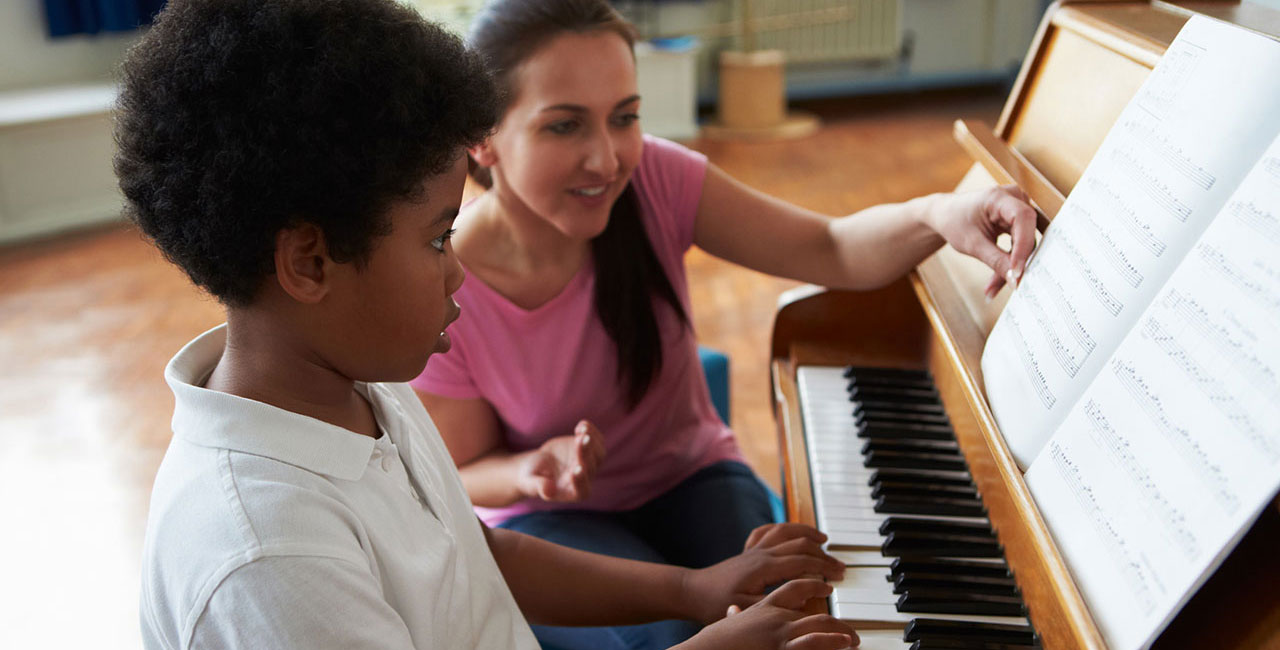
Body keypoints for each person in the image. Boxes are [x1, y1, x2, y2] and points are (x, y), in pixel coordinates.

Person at [122, 1, 856, 649]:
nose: (459, 271)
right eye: (439, 238)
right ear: (310, 263)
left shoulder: (356, 386)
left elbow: (477, 558)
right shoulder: (270, 560)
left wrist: (695, 590)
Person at [412, 1, 1036, 647]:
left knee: (789, 608)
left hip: (691, 476)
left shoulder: (653, 177)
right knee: (667, 634)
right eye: (565, 126)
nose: (607, 159)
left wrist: (938, 213)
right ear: (482, 138)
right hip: (553, 519)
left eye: (624, 117)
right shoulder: (447, 282)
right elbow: (464, 469)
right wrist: (529, 470)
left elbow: (831, 247)